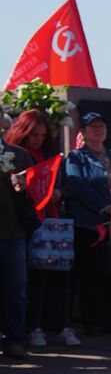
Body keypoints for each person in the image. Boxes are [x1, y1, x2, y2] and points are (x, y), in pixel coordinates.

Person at [6, 110, 81, 349]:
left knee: (61, 277)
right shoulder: (16, 156)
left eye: (41, 134)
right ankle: (33, 327)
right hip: (30, 224)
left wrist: (59, 192)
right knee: (34, 280)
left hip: (54, 223)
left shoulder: (52, 157)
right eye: (33, 134)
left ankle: (60, 325)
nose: (37, 139)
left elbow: (67, 185)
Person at [63, 113, 111, 336]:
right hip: (89, 225)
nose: (98, 129)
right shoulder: (76, 158)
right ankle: (92, 322)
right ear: (83, 132)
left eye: (101, 125)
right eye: (93, 126)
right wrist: (105, 207)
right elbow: (77, 186)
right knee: (90, 275)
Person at [0, 137, 34, 359]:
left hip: (12, 232)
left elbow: (36, 190)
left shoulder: (18, 154)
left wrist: (24, 187)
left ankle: (14, 339)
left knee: (16, 289)